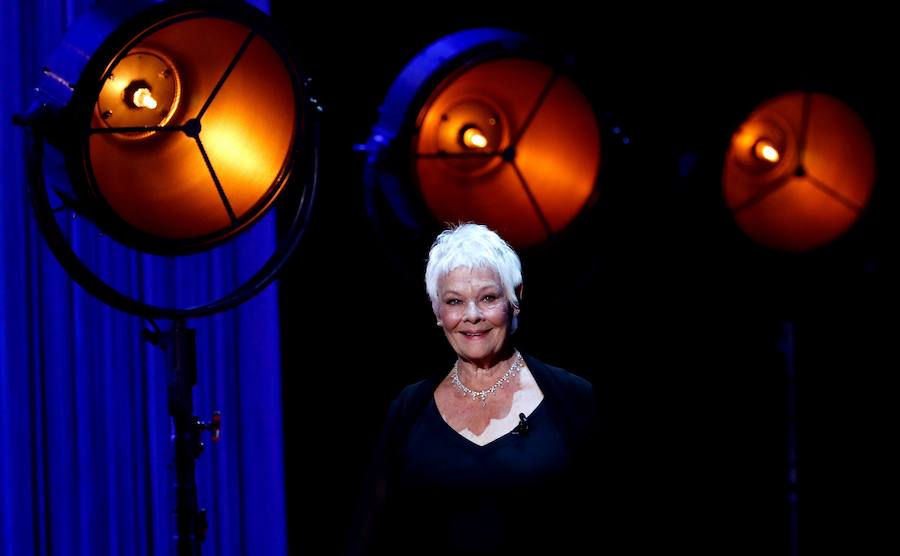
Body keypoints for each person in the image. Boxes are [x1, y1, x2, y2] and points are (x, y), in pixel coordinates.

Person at [345, 223, 603, 556]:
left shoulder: (572, 397)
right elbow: (367, 536)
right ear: (437, 310)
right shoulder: (409, 409)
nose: (472, 316)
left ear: (516, 298)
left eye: (488, 298)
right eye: (454, 301)